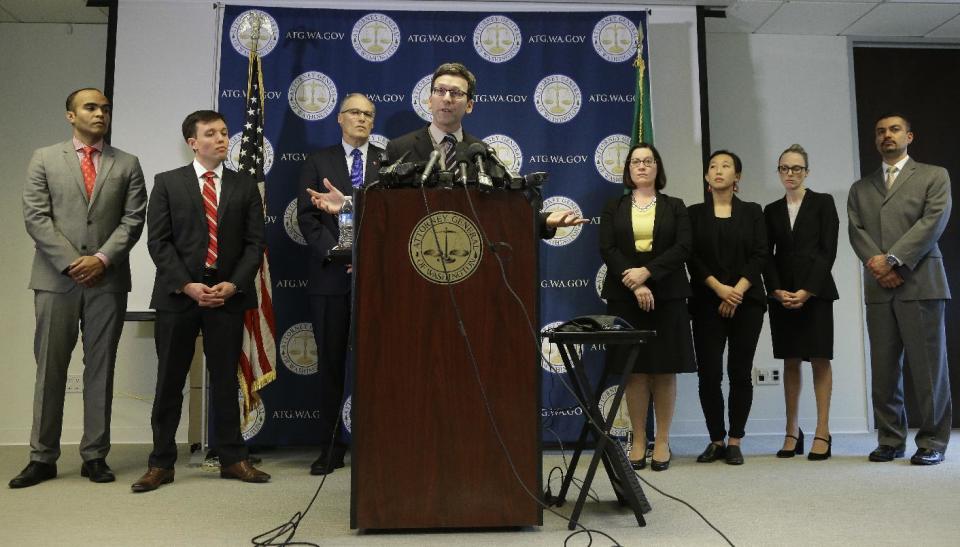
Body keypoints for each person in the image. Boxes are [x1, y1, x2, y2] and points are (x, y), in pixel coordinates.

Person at [12, 88, 147, 489]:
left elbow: (132, 220)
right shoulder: (44, 158)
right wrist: (73, 262)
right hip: (56, 281)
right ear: (71, 115)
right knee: (50, 370)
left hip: (107, 280)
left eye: (105, 108)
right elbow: (36, 217)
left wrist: (101, 259)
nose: (100, 113)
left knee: (100, 370)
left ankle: (95, 456)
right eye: (91, 107)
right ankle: (42, 457)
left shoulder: (127, 163)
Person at [132, 110, 269, 492]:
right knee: (169, 381)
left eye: (225, 132)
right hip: (179, 297)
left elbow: (254, 244)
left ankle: (233, 458)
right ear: (193, 142)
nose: (222, 139)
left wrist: (233, 284)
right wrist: (188, 286)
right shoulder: (167, 183)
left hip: (226, 296)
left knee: (225, 381)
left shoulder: (244, 186)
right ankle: (161, 463)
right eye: (211, 133)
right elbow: (159, 242)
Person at [307, 62, 587, 236]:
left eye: (456, 93)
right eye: (440, 91)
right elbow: (383, 208)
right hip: (411, 262)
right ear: (429, 100)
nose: (447, 98)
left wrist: (544, 220)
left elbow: (502, 211)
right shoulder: (400, 148)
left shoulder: (481, 152)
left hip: (468, 261)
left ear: (469, 105)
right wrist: (346, 203)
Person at [848, 113, 952, 465]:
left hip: (920, 283)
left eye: (894, 130)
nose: (886, 136)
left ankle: (932, 441)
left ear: (910, 135)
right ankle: (890, 439)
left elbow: (933, 221)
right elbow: (856, 230)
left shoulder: (933, 176)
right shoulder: (861, 188)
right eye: (880, 131)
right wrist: (879, 265)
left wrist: (893, 260)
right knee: (884, 369)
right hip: (880, 288)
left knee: (927, 369)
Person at [297, 93, 384, 475]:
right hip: (331, 279)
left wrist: (368, 259)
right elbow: (307, 218)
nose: (362, 120)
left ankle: (375, 446)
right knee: (330, 367)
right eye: (355, 113)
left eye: (368, 115)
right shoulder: (318, 161)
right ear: (339, 118)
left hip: (378, 280)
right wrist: (339, 254)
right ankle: (330, 448)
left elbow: (394, 219)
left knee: (376, 367)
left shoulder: (389, 162)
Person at [599, 143, 696, 472]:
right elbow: (608, 247)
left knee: (664, 369)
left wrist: (649, 273)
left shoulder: (676, 206)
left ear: (658, 168)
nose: (641, 166)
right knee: (635, 370)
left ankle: (664, 440)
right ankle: (639, 438)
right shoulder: (614, 206)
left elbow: (684, 246)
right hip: (627, 295)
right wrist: (636, 282)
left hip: (667, 295)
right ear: (628, 170)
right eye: (636, 162)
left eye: (648, 161)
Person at [688, 150, 767, 466]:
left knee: (739, 371)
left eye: (726, 166)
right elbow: (691, 257)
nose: (718, 170)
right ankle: (716, 439)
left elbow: (761, 254)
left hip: (747, 302)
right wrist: (720, 289)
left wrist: (736, 291)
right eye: (712, 166)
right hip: (707, 301)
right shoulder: (693, 214)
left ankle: (735, 440)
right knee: (709, 373)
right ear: (707, 177)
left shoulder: (752, 211)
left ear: (738, 177)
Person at [763, 144, 838, 461]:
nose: (790, 174)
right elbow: (765, 255)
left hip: (816, 292)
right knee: (790, 360)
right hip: (782, 294)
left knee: (820, 358)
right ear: (779, 172)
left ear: (806, 171)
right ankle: (792, 430)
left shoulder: (823, 203)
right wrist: (777, 290)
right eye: (784, 168)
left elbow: (828, 250)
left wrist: (808, 289)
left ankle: (823, 431)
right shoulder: (771, 210)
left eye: (796, 168)